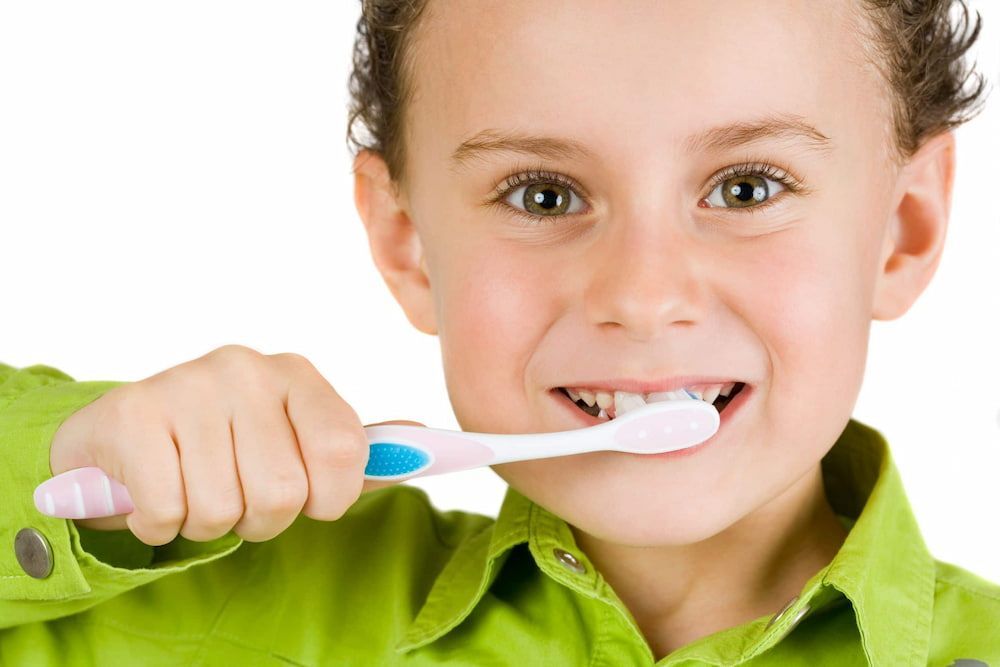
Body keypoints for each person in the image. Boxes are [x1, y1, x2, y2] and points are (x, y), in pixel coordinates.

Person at [2, 1, 997, 664]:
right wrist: (84, 453)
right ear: (407, 244)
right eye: (542, 194)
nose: (643, 295)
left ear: (904, 229)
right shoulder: (208, 594)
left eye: (746, 188)